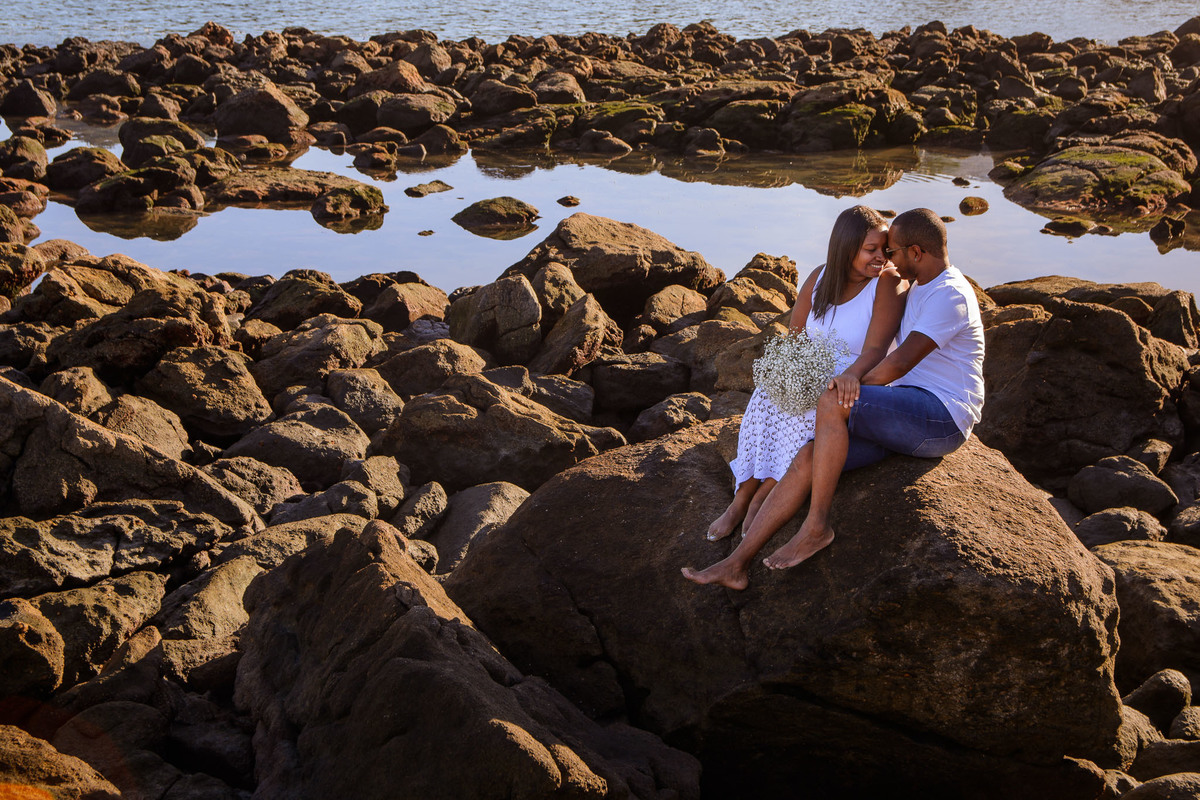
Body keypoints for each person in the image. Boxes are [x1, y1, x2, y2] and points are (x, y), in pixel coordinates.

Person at [685, 208, 984, 589]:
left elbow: (896, 362)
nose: (886, 259)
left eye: (891, 251)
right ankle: (736, 565)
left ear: (916, 252)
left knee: (831, 403)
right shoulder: (919, 283)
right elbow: (811, 334)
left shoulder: (950, 293)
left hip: (940, 417)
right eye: (880, 250)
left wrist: (844, 387)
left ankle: (816, 525)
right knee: (810, 454)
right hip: (904, 409)